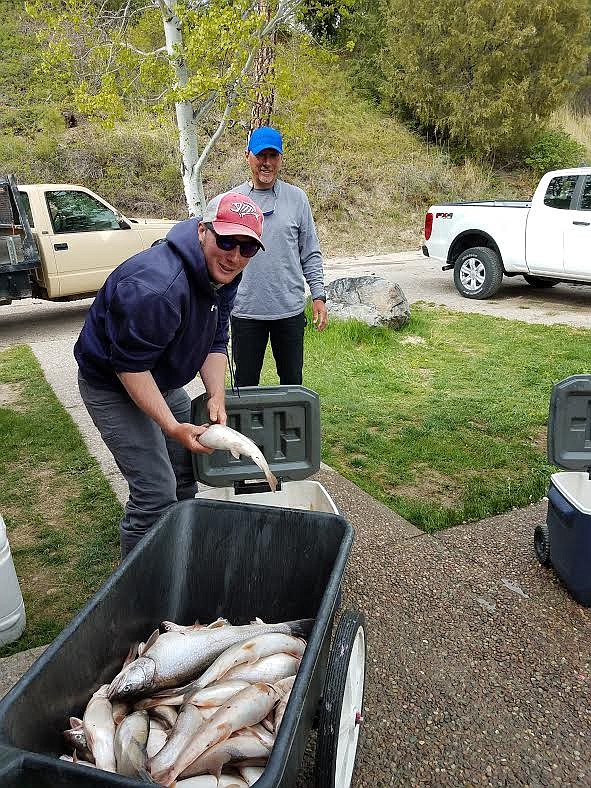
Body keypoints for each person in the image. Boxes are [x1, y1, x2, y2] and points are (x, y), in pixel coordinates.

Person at [74, 191, 265, 558]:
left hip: (159, 377)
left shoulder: (225, 272)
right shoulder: (156, 288)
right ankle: (138, 584)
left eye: (247, 248)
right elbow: (129, 367)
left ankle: (180, 551)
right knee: (154, 490)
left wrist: (216, 394)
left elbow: (216, 334)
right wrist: (172, 427)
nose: (235, 256)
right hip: (112, 384)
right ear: (202, 231)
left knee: (183, 471)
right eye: (226, 240)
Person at [231, 126, 328, 387]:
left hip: (289, 311)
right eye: (261, 155)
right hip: (246, 312)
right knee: (245, 384)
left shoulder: (297, 199)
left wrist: (318, 295)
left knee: (292, 383)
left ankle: (290, 429)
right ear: (247, 156)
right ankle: (245, 430)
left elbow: (310, 252)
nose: (267, 163)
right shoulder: (233, 201)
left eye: (273, 156)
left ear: (280, 159)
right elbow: (217, 258)